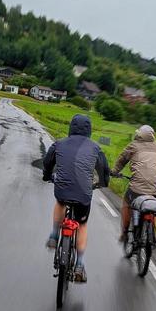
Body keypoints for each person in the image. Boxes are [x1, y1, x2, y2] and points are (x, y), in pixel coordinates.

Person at [42, 114, 110, 282]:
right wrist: (102, 183)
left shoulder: (59, 143)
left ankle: (53, 235)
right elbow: (104, 169)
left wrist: (47, 176)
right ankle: (79, 264)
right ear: (89, 130)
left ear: (71, 127)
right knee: (82, 224)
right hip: (83, 194)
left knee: (60, 201)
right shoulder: (95, 148)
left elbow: (48, 162)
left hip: (62, 190)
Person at [112, 125, 156, 241]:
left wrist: (114, 172)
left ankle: (125, 233)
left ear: (139, 135)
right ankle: (151, 235)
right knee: (153, 207)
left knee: (127, 203)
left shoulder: (134, 145)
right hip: (155, 189)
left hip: (136, 189)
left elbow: (122, 160)